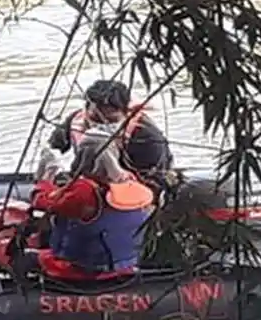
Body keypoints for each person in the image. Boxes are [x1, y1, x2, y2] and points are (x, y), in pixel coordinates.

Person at [19, 125, 155, 280]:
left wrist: (45, 179)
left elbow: (42, 202)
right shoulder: (132, 183)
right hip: (127, 264)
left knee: (24, 257)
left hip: (85, 269)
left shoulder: (84, 192)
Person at [48, 79, 173, 188]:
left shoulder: (146, 135)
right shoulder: (76, 121)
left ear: (126, 113)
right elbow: (54, 147)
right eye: (96, 118)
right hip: (86, 179)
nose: (103, 123)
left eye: (111, 120)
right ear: (85, 109)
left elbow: (157, 178)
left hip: (132, 185)